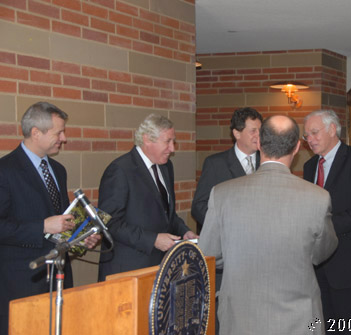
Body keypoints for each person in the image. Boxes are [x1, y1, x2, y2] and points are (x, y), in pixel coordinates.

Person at [199, 115, 337, 335]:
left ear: (260, 144)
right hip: (298, 318)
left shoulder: (222, 194)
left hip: (240, 315)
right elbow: (320, 253)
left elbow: (209, 253)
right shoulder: (318, 197)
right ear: (297, 148)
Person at [0, 102, 100, 335]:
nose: (63, 138)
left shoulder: (58, 169)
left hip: (59, 277)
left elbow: (62, 222)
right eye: (59, 132)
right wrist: (41, 226)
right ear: (36, 133)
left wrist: (79, 239)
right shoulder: (5, 170)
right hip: (22, 282)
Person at [303, 110, 351, 334]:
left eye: (314, 133)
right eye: (306, 135)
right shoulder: (309, 167)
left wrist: (323, 225)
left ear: (332, 129)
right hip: (317, 266)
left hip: (349, 266)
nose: (310, 140)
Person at [98, 114, 197, 281]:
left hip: (158, 267)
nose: (172, 148)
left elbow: (167, 214)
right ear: (147, 139)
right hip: (128, 271)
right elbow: (109, 222)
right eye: (167, 141)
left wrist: (184, 232)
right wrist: (153, 240)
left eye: (174, 142)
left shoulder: (166, 167)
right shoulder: (120, 170)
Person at [191, 107, 262, 226]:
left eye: (260, 130)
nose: (258, 135)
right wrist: (223, 227)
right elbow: (199, 206)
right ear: (237, 133)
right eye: (253, 131)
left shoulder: (268, 162)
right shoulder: (215, 164)